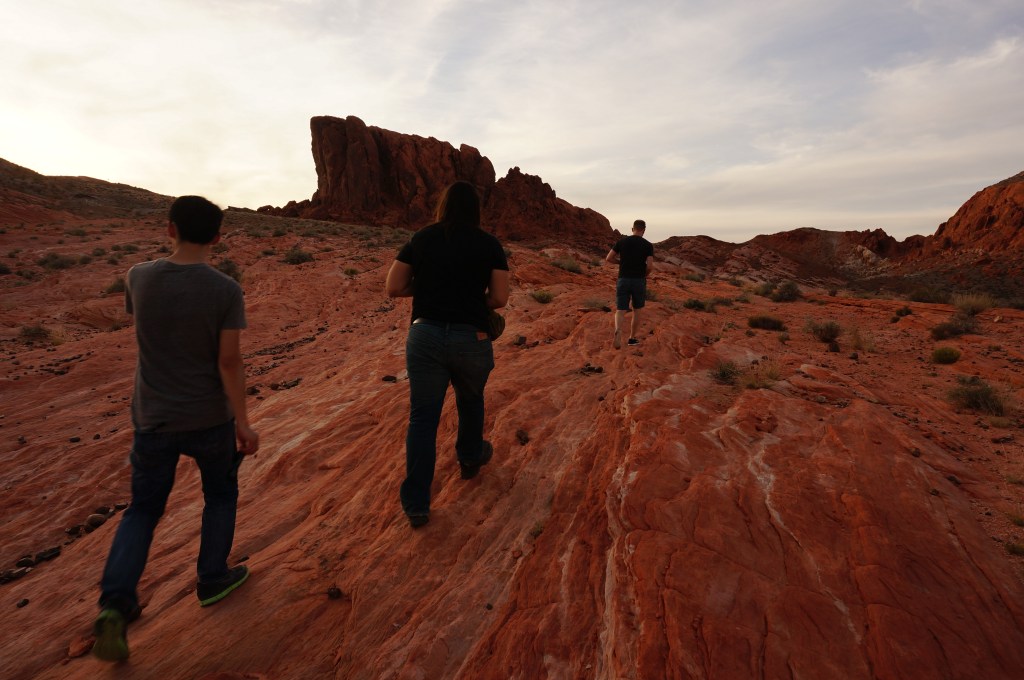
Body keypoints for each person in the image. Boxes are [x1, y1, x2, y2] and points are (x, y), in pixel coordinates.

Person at [92, 196, 260, 662]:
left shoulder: (139, 278)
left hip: (153, 418)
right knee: (221, 496)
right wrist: (243, 422)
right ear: (218, 237)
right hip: (209, 419)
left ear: (170, 229)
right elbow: (229, 361)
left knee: (142, 511)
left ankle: (116, 603)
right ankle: (211, 579)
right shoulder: (226, 290)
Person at [385, 181, 510, 529]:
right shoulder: (489, 245)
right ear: (476, 210)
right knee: (470, 400)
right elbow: (499, 298)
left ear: (442, 206)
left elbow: (393, 287)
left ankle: (416, 506)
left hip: (424, 334)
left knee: (423, 419)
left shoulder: (421, 238)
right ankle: (470, 458)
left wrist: (426, 291)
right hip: (471, 335)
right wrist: (468, 301)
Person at [606, 219, 654, 348]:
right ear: (643, 230)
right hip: (638, 280)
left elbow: (609, 258)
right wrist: (644, 275)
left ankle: (618, 330)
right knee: (637, 310)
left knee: (621, 309)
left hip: (623, 279)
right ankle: (632, 339)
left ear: (632, 229)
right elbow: (650, 266)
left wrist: (620, 263)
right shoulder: (648, 245)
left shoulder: (622, 242)